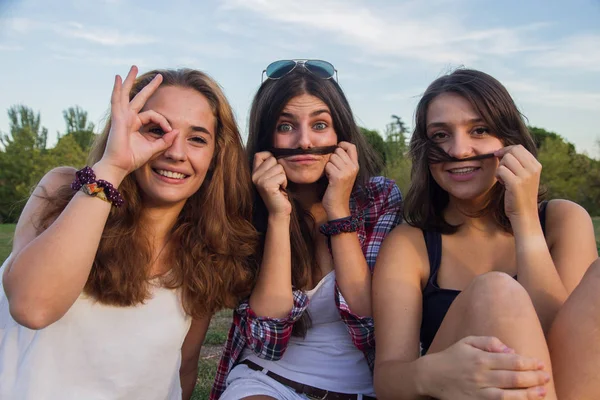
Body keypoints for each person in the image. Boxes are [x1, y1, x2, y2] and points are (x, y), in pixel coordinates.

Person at [0, 66, 257, 400]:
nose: (175, 152)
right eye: (154, 130)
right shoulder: (64, 190)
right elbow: (33, 307)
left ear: (216, 155)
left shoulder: (208, 249)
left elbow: (184, 367)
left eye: (197, 139)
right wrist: (114, 167)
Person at [372, 68, 599, 399]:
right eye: (440, 135)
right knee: (495, 293)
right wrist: (435, 373)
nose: (459, 151)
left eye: (479, 130)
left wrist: (524, 220)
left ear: (509, 141)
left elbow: (566, 355)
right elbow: (387, 381)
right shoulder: (410, 244)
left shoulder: (563, 220)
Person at [211, 59, 403, 400]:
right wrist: (277, 215)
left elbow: (369, 318)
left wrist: (338, 210)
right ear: (267, 137)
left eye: (319, 125)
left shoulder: (379, 197)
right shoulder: (245, 204)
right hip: (266, 378)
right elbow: (265, 336)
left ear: (340, 133)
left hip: (361, 387)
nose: (304, 142)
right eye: (286, 126)